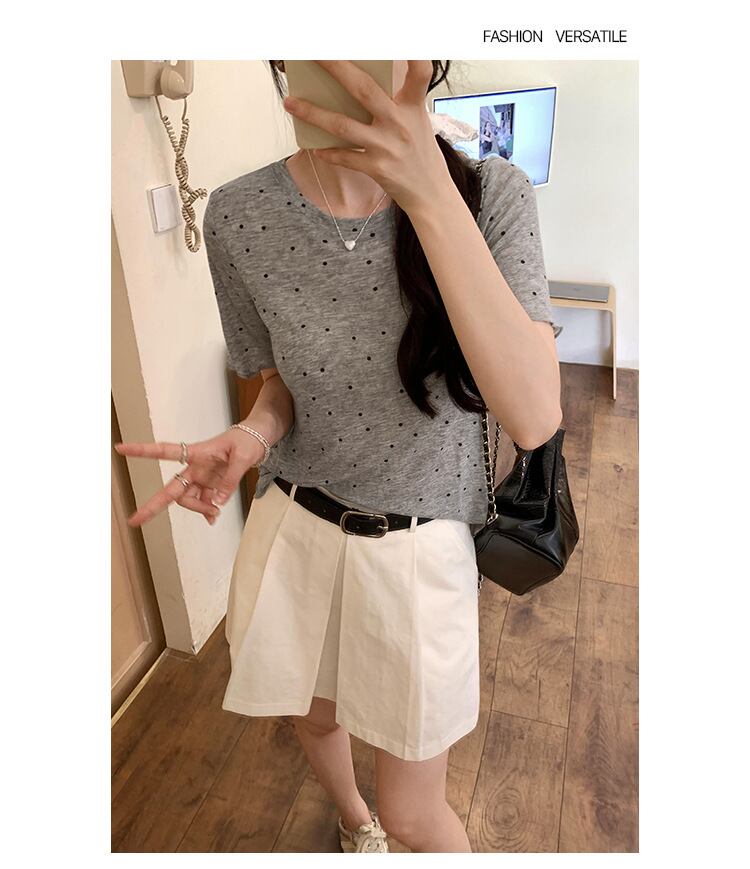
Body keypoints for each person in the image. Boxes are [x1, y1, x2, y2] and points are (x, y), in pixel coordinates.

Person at [115, 60, 562, 854]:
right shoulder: (240, 215)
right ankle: (356, 823)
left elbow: (534, 415)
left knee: (417, 813)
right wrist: (252, 434)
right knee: (313, 715)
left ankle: (385, 822)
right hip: (295, 525)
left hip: (420, 546)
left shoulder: (490, 195)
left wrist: (426, 191)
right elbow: (280, 385)